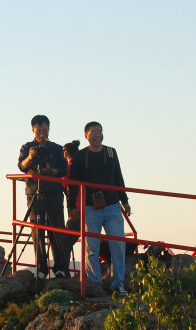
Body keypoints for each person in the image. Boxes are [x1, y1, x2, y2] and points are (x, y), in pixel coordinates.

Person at [67, 122, 131, 294]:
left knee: (118, 245)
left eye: (100, 131)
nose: (97, 135)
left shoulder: (111, 153)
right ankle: (96, 286)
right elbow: (73, 184)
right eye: (93, 132)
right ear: (86, 135)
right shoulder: (80, 156)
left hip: (112, 206)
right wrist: (71, 206)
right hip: (90, 207)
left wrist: (124, 200)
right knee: (91, 247)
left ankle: (118, 285)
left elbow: (118, 176)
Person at [17, 114, 70, 279]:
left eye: (44, 129)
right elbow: (21, 166)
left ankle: (61, 268)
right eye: (38, 130)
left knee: (57, 230)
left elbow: (62, 169)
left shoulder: (56, 148)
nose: (41, 133)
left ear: (49, 129)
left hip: (54, 193)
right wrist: (30, 158)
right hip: (34, 193)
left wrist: (51, 171)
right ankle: (41, 268)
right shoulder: (27, 147)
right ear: (33, 130)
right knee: (37, 230)